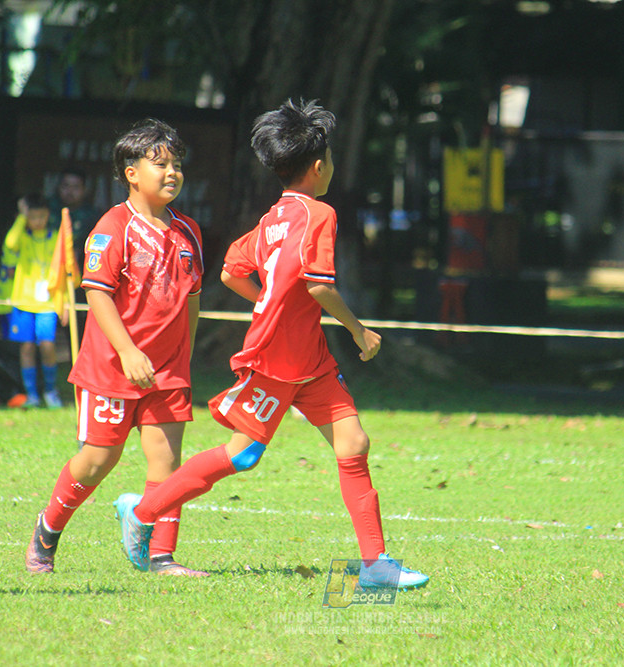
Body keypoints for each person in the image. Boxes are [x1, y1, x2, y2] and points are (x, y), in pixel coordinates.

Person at [114, 99, 429, 591]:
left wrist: (269, 300)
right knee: (242, 455)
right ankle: (143, 510)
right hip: (278, 358)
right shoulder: (320, 213)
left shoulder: (273, 218)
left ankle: (376, 567)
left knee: (355, 443)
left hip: (309, 358)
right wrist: (358, 330)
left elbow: (231, 271)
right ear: (320, 166)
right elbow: (320, 286)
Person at [24, 118, 205, 577]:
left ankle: (161, 556)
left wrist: (184, 355)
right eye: (160, 164)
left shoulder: (189, 233)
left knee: (167, 462)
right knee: (97, 461)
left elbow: (193, 299)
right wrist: (127, 351)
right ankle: (47, 532)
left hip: (167, 370)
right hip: (112, 368)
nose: (172, 173)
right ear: (130, 172)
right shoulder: (112, 226)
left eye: (177, 165)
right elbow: (97, 293)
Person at [0, 193, 66, 408]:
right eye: (33, 216)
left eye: (41, 216)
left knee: (47, 345)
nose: (37, 221)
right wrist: (21, 216)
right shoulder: (23, 237)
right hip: (23, 301)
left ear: (47, 216)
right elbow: (10, 242)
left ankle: (51, 390)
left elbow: (66, 264)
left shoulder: (55, 237)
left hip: (47, 303)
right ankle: (32, 394)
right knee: (26, 348)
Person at [50, 167, 99, 265]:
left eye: (76, 187)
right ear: (58, 187)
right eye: (65, 186)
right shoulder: (47, 210)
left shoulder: (92, 217)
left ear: (84, 190)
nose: (70, 191)